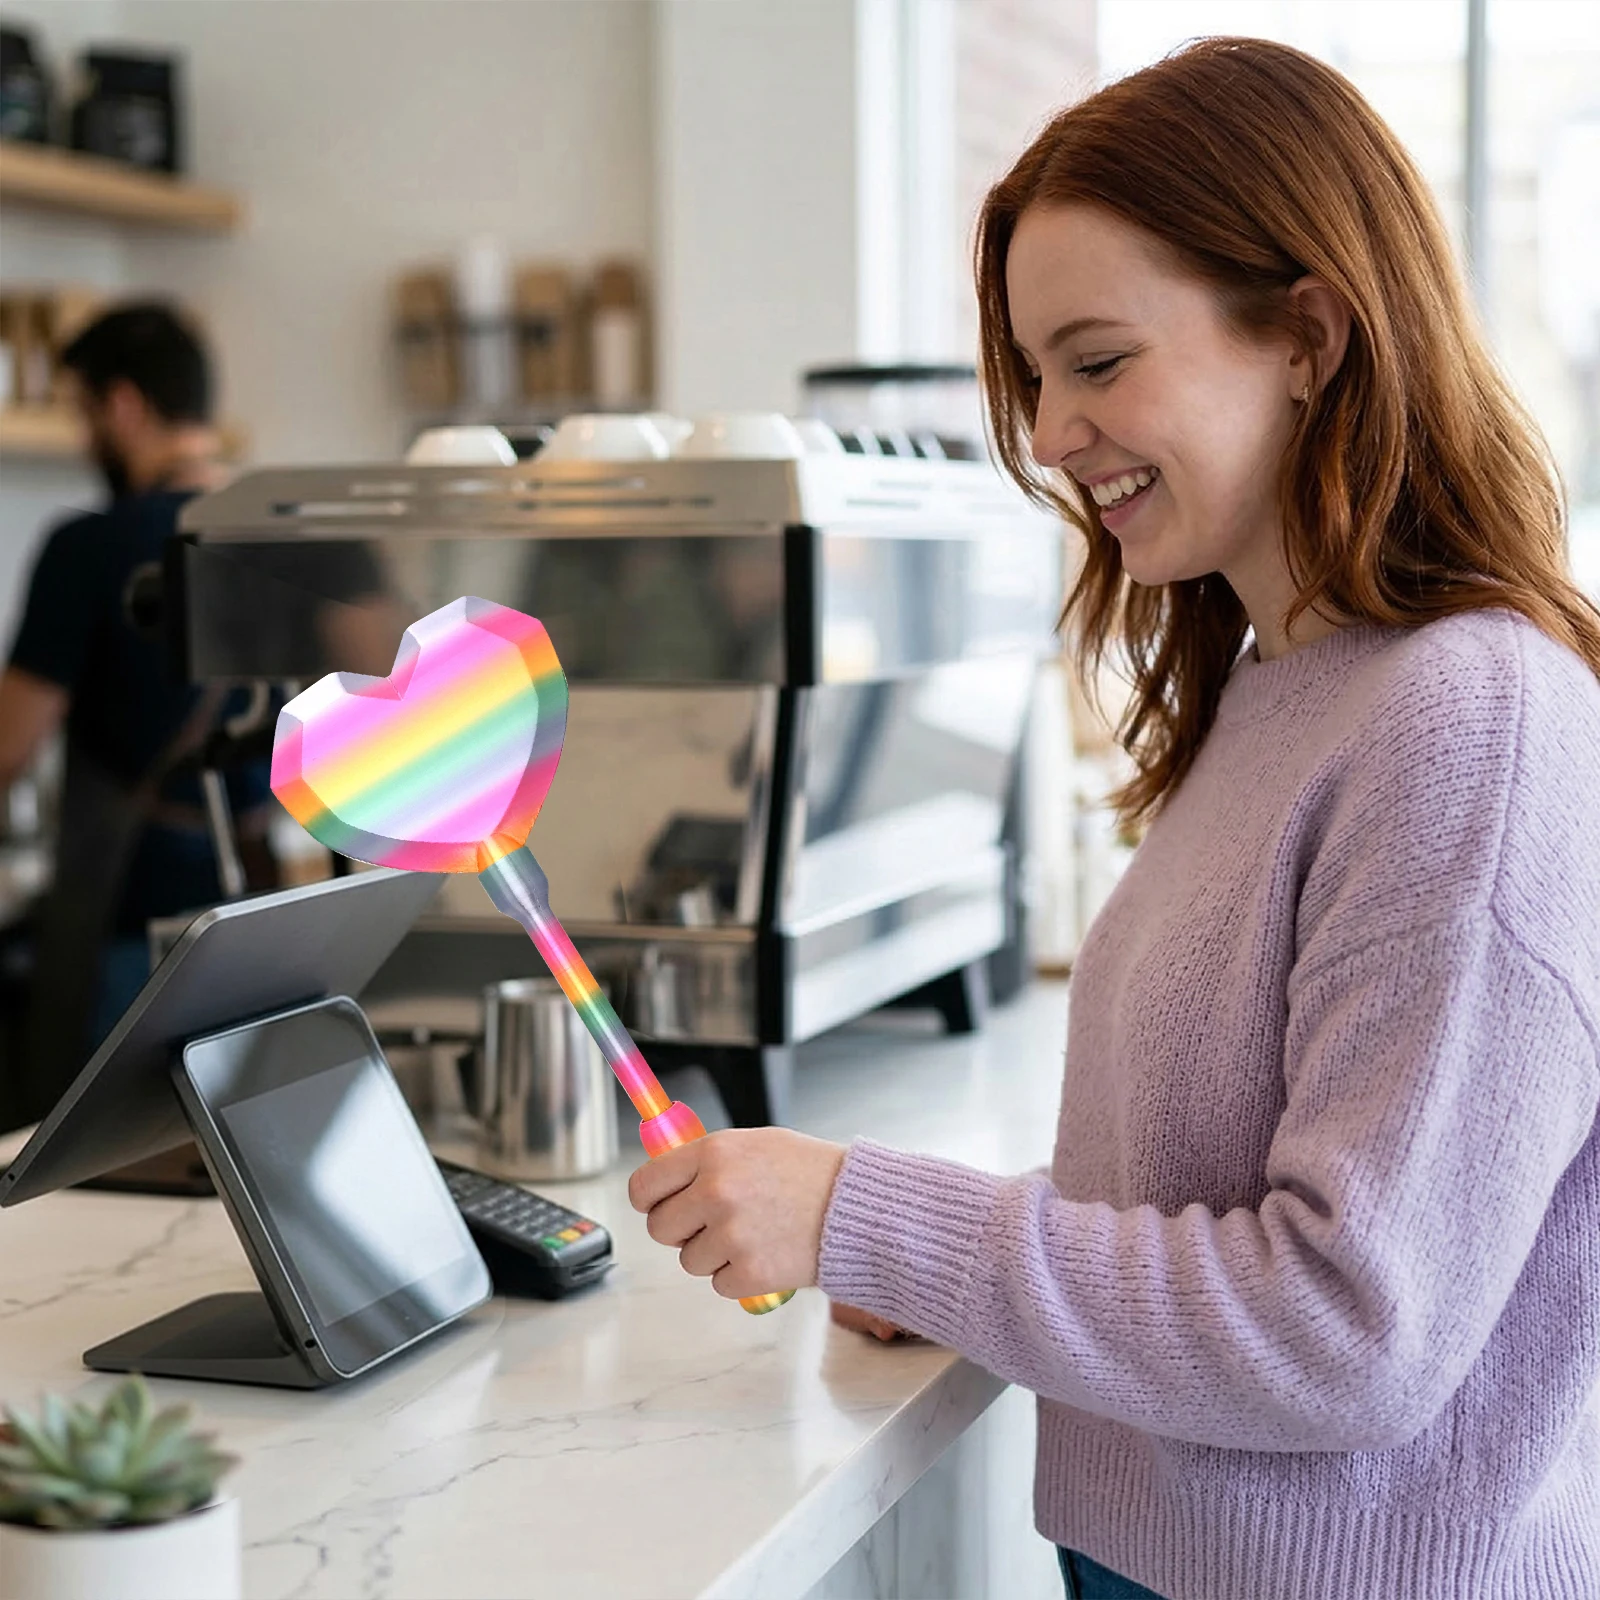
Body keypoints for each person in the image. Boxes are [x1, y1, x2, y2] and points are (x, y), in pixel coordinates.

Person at [626, 38, 1600, 1600]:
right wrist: (924, 1259)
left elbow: (1348, 1325)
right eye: (1034, 379)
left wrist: (871, 1213)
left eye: (1094, 362)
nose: (1049, 435)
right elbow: (1201, 1190)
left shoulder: (1469, 722)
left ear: (1308, 334)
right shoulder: (1286, 687)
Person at [0, 302, 274, 1119]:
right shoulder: (276, 529)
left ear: (123, 405)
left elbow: (9, 746)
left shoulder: (89, 546)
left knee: (96, 1177)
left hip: (130, 932)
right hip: (263, 927)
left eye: (84, 414)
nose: (88, 439)